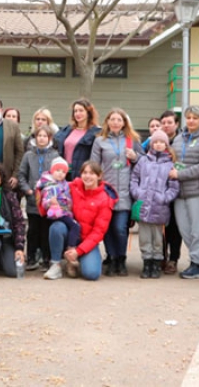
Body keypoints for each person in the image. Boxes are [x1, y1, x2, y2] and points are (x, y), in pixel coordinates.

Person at [91, 107, 142, 276]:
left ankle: (121, 258)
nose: (115, 122)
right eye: (112, 119)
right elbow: (94, 166)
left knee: (120, 228)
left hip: (125, 192)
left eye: (119, 120)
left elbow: (143, 161)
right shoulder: (100, 141)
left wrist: (134, 157)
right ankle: (111, 258)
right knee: (106, 228)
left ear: (124, 123)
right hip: (106, 191)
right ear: (107, 122)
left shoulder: (132, 139)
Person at [47, 160, 114, 281]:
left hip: (86, 240)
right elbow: (52, 186)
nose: (87, 176)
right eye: (85, 172)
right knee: (56, 226)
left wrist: (78, 251)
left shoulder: (104, 200)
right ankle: (55, 264)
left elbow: (98, 232)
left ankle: (73, 259)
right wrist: (49, 201)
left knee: (92, 274)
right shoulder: (73, 187)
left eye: (92, 173)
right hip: (69, 234)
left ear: (99, 176)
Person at [170, 106, 199, 279]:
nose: (191, 121)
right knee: (184, 229)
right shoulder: (179, 139)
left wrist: (180, 174)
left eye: (195, 118)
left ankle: (197, 262)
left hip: (197, 192)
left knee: (197, 229)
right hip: (179, 193)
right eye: (188, 118)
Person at [130, 129, 180, 279]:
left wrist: (164, 198)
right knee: (144, 236)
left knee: (158, 238)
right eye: (156, 142)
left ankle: (157, 263)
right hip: (144, 205)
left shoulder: (170, 164)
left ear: (166, 145)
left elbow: (174, 186)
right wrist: (137, 193)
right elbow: (134, 178)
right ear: (151, 144)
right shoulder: (143, 161)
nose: (158, 145)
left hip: (160, 207)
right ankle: (147, 262)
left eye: (162, 142)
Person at [18, 124, 59, 270]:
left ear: (50, 138)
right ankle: (31, 257)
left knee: (45, 229)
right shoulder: (28, 155)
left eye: (44, 136)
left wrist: (52, 191)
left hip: (48, 200)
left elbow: (58, 174)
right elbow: (21, 175)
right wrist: (27, 190)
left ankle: (46, 258)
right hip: (32, 199)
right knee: (33, 229)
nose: (41, 139)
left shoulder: (55, 155)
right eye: (39, 136)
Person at [36, 157, 82, 279]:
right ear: (51, 171)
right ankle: (70, 250)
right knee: (75, 226)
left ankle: (69, 252)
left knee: (74, 226)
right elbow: (44, 200)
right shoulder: (50, 185)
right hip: (58, 213)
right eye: (57, 170)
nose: (60, 173)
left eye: (63, 172)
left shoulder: (64, 184)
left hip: (64, 212)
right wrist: (50, 203)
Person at [158, 110, 182, 275]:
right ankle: (161, 257)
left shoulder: (182, 141)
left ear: (176, 124)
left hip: (176, 189)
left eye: (169, 122)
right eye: (163, 123)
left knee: (174, 226)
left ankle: (173, 258)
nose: (166, 125)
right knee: (160, 226)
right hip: (158, 192)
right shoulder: (155, 140)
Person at [54, 98, 101, 181]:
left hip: (82, 173)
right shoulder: (66, 130)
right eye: (75, 111)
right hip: (64, 172)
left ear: (88, 112)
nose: (77, 113)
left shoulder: (95, 132)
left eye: (81, 110)